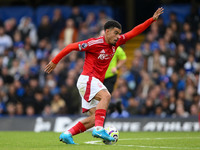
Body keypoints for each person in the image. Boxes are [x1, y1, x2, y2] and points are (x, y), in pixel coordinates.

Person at [44, 7, 164, 144]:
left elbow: (134, 32)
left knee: (95, 118)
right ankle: (99, 129)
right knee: (106, 96)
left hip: (91, 82)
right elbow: (70, 46)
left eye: (119, 33)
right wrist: (54, 62)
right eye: (115, 33)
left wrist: (151, 20)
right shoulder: (94, 43)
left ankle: (67, 134)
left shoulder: (117, 43)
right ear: (107, 32)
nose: (118, 36)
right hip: (88, 79)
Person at [99, 30, 127, 94]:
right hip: (99, 77)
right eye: (101, 36)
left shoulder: (114, 47)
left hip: (110, 76)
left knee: (106, 95)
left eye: (104, 36)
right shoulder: (97, 47)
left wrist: (116, 67)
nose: (102, 38)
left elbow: (123, 58)